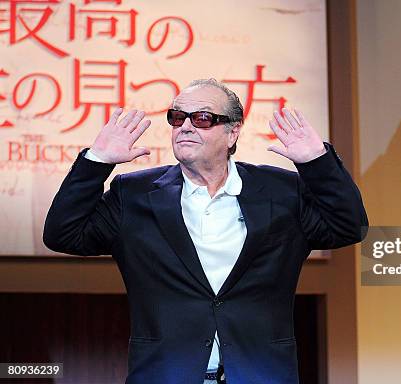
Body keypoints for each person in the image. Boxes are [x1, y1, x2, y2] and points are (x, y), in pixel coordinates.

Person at [43, 79, 368, 384]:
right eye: (177, 117)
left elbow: (348, 226)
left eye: (201, 118)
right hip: (165, 374)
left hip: (261, 373)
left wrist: (317, 162)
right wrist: (97, 161)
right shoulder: (135, 195)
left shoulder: (281, 192)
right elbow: (63, 233)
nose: (184, 126)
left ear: (232, 132)